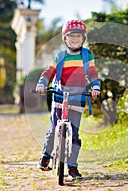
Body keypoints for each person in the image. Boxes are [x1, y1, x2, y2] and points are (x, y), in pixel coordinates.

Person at [35, 20, 100, 179]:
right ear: (65, 38)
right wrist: (42, 83)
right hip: (60, 95)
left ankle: (72, 167)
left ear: (83, 38)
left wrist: (96, 86)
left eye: (78, 36)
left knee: (75, 134)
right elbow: (49, 72)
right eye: (71, 36)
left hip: (78, 97)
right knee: (53, 129)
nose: (75, 39)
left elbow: (92, 72)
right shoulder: (60, 56)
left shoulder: (87, 55)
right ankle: (45, 157)